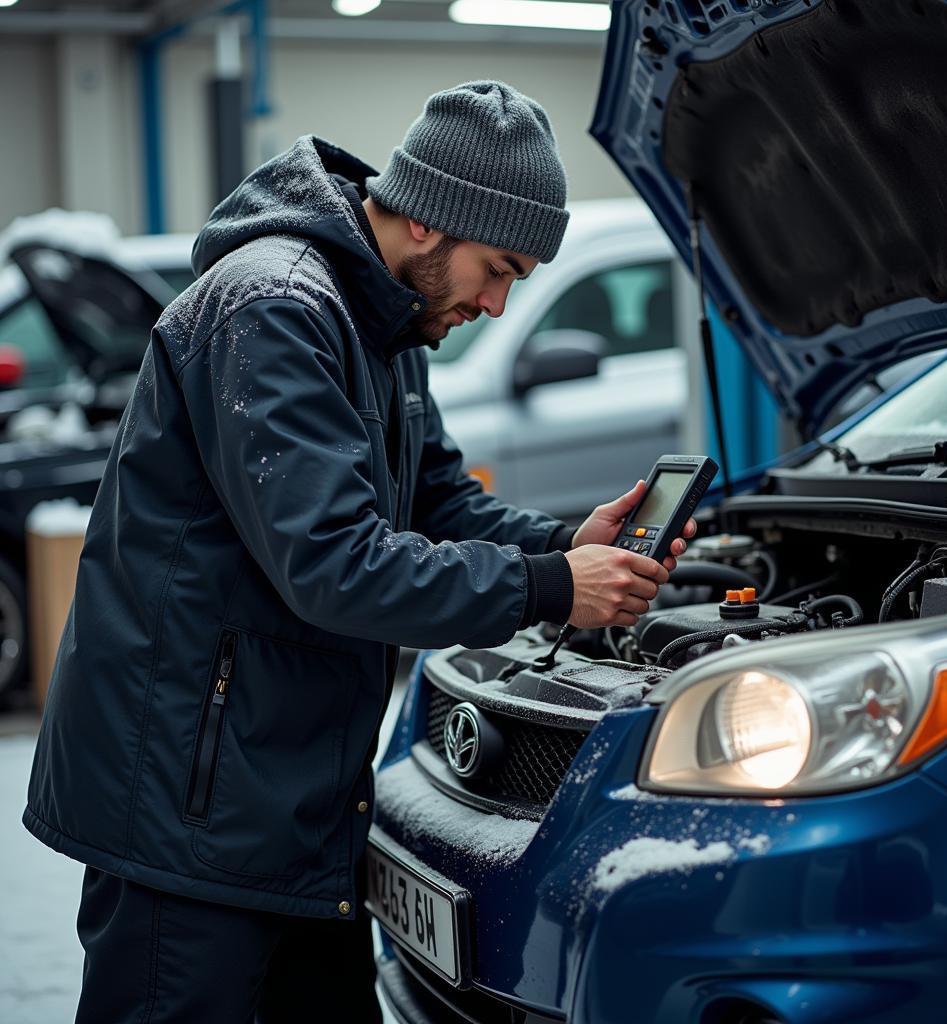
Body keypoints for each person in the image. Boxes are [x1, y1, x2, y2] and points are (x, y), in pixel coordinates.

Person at [23, 81, 696, 1022]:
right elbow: (336, 564)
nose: (499, 306)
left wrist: (564, 542)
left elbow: (436, 502)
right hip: (190, 808)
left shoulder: (387, 324)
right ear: (430, 222)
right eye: (497, 268)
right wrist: (551, 587)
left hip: (289, 799)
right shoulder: (275, 308)